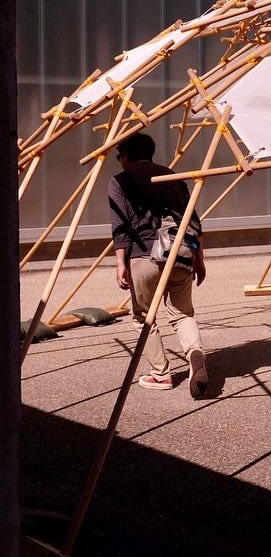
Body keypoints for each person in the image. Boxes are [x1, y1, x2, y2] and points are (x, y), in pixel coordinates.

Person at [108, 132, 208, 397]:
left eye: (120, 156)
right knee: (182, 313)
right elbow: (193, 220)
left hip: (144, 255)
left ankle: (161, 374)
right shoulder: (172, 176)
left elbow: (120, 226)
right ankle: (195, 355)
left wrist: (120, 263)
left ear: (126, 155)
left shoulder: (120, 181)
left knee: (144, 317)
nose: (119, 161)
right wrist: (199, 260)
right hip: (180, 253)